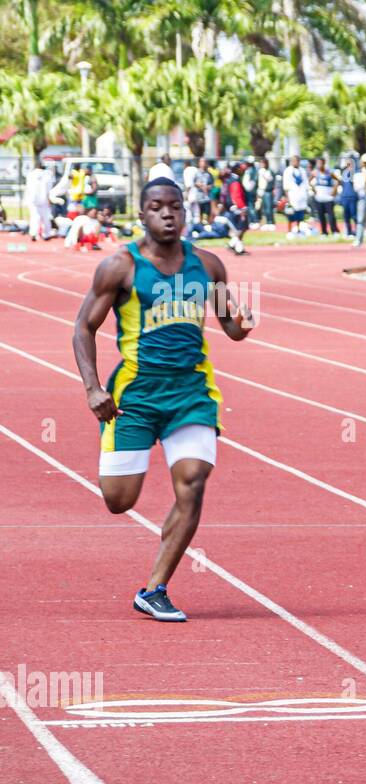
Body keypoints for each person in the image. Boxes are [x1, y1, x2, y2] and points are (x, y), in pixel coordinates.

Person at [71, 178, 254, 622]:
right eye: (157, 207)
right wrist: (94, 388)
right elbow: (83, 328)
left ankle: (155, 589)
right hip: (134, 394)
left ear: (185, 213)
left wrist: (242, 324)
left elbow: (230, 325)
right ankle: (124, 454)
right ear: (142, 215)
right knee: (119, 500)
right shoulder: (120, 268)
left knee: (192, 482)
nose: (167, 214)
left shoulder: (208, 266)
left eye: (175, 207)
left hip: (191, 393)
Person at [25, 158, 54, 241]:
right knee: (46, 217)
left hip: (33, 199)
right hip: (43, 199)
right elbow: (49, 189)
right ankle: (46, 234)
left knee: (34, 217)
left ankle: (33, 233)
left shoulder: (31, 174)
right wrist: (49, 199)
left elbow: (28, 188)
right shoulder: (47, 175)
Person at [282, 155, 310, 237]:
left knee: (300, 215)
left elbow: (305, 184)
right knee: (291, 215)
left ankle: (298, 230)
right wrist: (288, 198)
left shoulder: (302, 170)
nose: (296, 162)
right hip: (292, 196)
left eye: (297, 161)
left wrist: (306, 195)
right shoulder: (287, 171)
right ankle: (289, 231)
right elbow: (286, 186)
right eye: (294, 161)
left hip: (301, 196)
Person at [339, 157, 358, 238]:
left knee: (354, 215)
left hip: (352, 196)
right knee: (346, 216)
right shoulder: (343, 172)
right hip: (345, 197)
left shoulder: (354, 173)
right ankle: (349, 232)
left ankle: (357, 231)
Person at [194, 158, 214, 223]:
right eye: (202, 162)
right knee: (199, 214)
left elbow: (212, 185)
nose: (204, 164)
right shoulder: (196, 173)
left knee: (208, 213)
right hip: (199, 197)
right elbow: (194, 183)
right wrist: (199, 185)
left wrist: (207, 187)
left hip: (207, 198)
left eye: (205, 162)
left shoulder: (209, 174)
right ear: (199, 163)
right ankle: (200, 227)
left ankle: (208, 227)